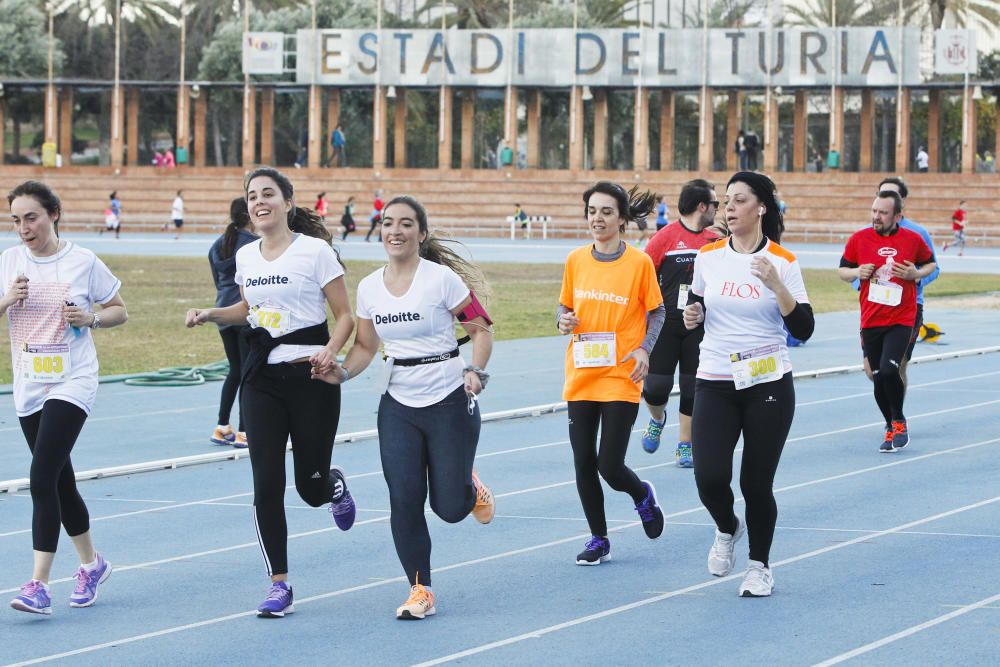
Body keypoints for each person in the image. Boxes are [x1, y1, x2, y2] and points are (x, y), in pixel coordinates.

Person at [185, 167, 358, 618]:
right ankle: (279, 583)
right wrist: (212, 314)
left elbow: (344, 316)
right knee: (265, 483)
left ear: (287, 202)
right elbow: (249, 309)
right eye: (252, 196)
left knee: (309, 489)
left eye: (267, 194)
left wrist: (330, 352)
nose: (259, 201)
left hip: (311, 379)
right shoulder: (247, 257)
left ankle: (332, 485)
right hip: (261, 379)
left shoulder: (315, 252)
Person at [314, 195, 496, 620]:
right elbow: (364, 346)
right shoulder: (369, 288)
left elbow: (480, 329)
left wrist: (477, 370)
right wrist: (341, 373)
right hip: (397, 403)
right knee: (404, 499)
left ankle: (469, 487)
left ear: (421, 233)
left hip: (449, 397)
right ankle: (421, 589)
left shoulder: (442, 280)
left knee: (449, 508)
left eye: (406, 224)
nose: (395, 230)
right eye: (389, 223)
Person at [683, 171, 813, 598]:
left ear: (761, 207)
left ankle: (760, 565)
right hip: (716, 379)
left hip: (767, 382)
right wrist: (693, 316)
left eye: (739, 200)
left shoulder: (784, 262)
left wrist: (776, 285)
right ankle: (727, 527)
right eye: (726, 201)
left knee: (756, 483)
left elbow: (803, 327)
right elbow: (697, 303)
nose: (729, 208)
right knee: (709, 477)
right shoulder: (708, 258)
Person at [3, 181, 129, 615]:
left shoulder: (82, 261)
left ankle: (38, 585)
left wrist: (90, 317)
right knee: (60, 480)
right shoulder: (9, 261)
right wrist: (7, 300)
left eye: (31, 217)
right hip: (29, 384)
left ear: (53, 214)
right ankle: (92, 564)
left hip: (72, 380)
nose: (23, 228)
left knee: (41, 478)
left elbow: (120, 309)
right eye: (16, 220)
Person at [557, 181, 666, 566]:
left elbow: (657, 311)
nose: (597, 219)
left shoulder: (638, 263)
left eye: (606, 211)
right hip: (582, 374)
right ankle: (598, 538)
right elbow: (563, 309)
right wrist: (563, 321)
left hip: (621, 375)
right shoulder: (575, 260)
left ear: (621, 218)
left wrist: (644, 349)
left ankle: (641, 495)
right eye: (591, 211)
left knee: (609, 464)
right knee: (583, 461)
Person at [838, 189, 936, 453]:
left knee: (891, 369)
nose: (876, 217)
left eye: (882, 212)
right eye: (874, 211)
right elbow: (842, 271)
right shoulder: (859, 239)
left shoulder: (912, 239)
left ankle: (899, 420)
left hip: (901, 318)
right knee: (879, 376)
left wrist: (916, 273)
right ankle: (890, 423)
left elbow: (931, 265)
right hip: (871, 318)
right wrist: (857, 271)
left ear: (897, 216)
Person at [640, 179, 721, 468]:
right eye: (715, 204)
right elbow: (643, 276)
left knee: (692, 388)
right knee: (655, 388)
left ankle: (684, 445)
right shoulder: (665, 237)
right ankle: (657, 418)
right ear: (702, 206)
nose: (717, 209)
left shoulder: (715, 241)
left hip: (699, 325)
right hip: (665, 323)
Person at [856, 177, 941, 388]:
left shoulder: (917, 233)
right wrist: (860, 278)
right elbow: (851, 267)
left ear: (902, 202)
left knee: (896, 365)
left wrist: (916, 276)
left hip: (908, 309)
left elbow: (933, 267)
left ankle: (894, 419)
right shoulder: (865, 234)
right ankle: (891, 408)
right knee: (872, 370)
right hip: (874, 307)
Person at [207, 198, 258, 449]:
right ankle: (244, 431)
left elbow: (217, 279)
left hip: (222, 312)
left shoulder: (218, 244)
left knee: (235, 370)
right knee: (248, 374)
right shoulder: (254, 245)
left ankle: (222, 426)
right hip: (243, 312)